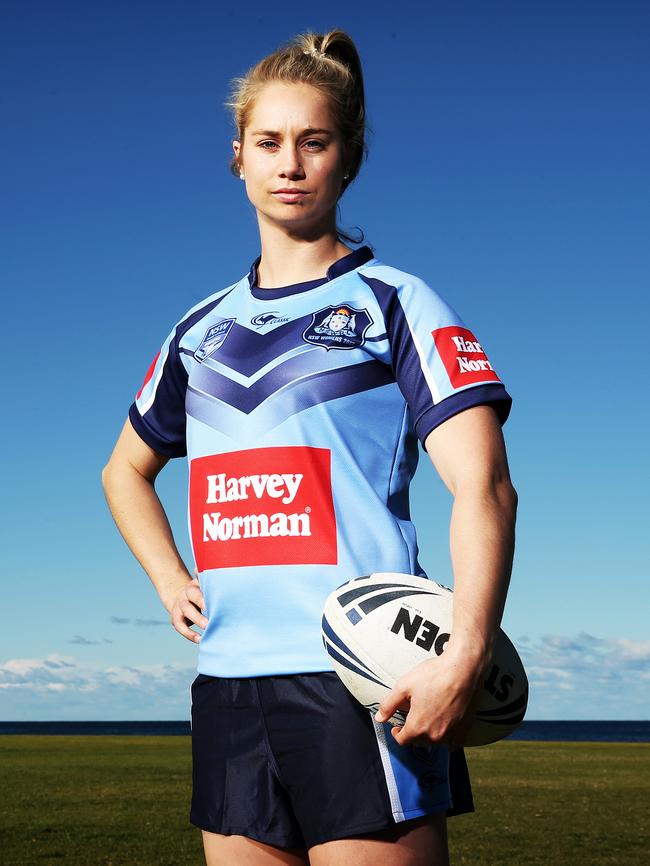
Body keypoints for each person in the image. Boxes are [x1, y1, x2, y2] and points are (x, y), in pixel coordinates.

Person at [102, 28, 517, 866]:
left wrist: (465, 650)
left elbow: (486, 489)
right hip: (226, 684)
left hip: (360, 678)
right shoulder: (197, 328)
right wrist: (169, 577)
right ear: (239, 160)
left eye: (314, 142)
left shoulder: (396, 302)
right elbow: (125, 471)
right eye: (270, 143)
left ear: (348, 157)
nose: (290, 163)